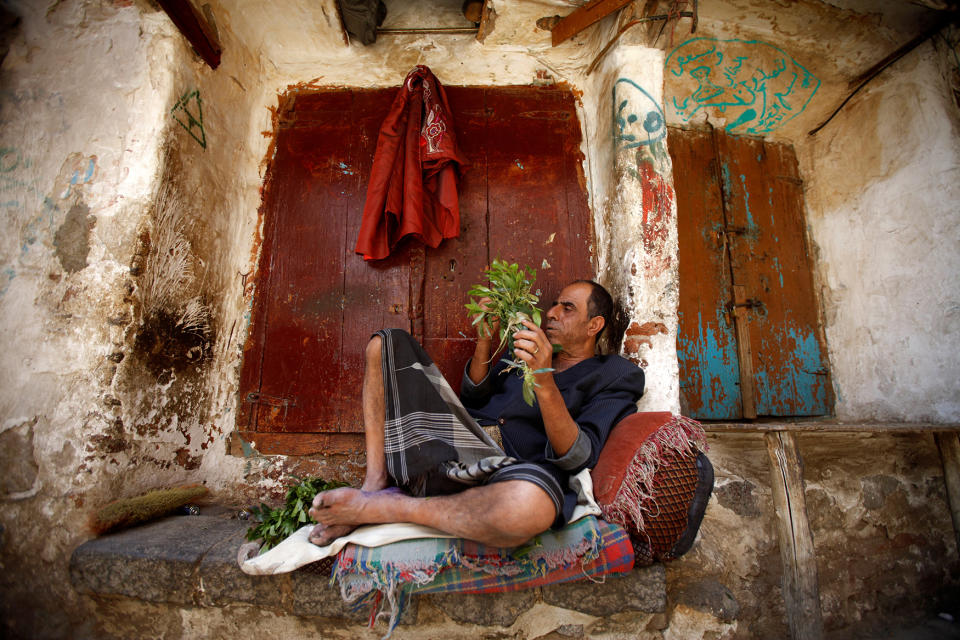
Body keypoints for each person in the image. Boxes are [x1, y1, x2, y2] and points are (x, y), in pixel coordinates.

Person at [308, 280, 644, 548]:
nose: (551, 313)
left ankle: (384, 508)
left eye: (567, 308)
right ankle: (375, 482)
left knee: (529, 507)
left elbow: (578, 456)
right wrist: (485, 342)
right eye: (554, 304)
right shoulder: (525, 351)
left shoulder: (614, 374)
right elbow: (475, 395)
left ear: (594, 325)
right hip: (451, 442)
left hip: (507, 469)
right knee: (384, 344)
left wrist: (542, 378)